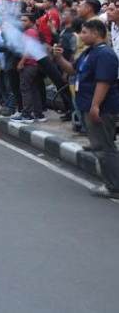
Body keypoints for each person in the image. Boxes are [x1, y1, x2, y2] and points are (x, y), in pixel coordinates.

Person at [51, 19, 119, 198]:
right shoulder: (89, 52)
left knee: (104, 148)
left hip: (101, 109)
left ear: (96, 33)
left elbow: (103, 82)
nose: (81, 35)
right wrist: (58, 57)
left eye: (84, 32)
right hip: (88, 106)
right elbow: (73, 70)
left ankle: (114, 186)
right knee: (100, 146)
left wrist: (95, 105)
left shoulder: (105, 54)